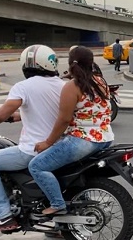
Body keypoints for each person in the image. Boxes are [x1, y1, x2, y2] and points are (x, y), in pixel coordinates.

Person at [29, 46, 114, 217]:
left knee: (36, 166)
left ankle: (57, 204)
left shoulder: (72, 86)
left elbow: (64, 120)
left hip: (81, 141)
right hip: (105, 138)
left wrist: (47, 143)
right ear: (91, 63)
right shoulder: (100, 81)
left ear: (70, 63)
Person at [0, 45, 65, 231]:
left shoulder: (23, 87)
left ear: (28, 63)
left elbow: (0, 115)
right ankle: (60, 225)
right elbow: (48, 111)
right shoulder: (63, 85)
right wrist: (18, 116)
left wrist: (5, 116)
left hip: (33, 150)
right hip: (59, 149)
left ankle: (2, 216)